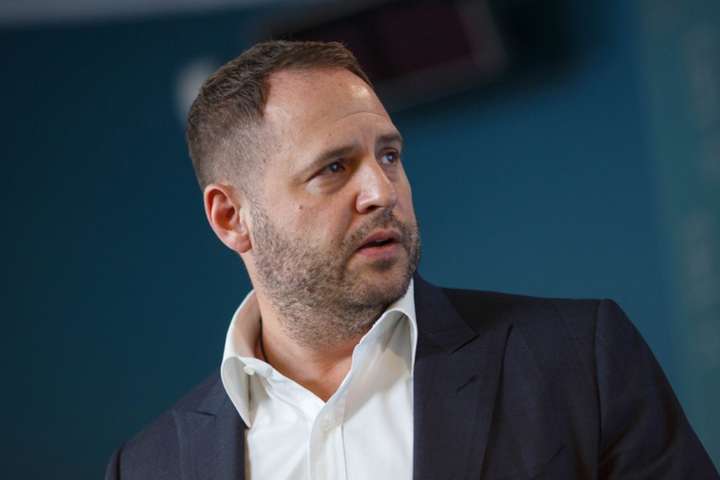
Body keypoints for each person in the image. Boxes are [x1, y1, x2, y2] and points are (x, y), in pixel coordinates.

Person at [105, 40, 718, 479]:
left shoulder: (579, 361)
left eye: (389, 156)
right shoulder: (147, 467)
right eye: (334, 168)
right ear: (230, 218)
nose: (381, 191)